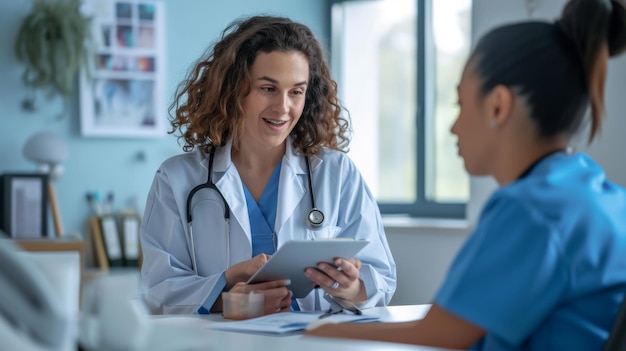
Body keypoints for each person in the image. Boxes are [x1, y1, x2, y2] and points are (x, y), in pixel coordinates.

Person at [305, 0, 626, 349]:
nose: (454, 127)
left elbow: (438, 337)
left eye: (460, 104)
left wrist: (319, 332)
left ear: (498, 106)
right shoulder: (599, 195)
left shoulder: (531, 210)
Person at [139, 15, 396, 316]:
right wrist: (226, 297)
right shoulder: (177, 179)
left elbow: (381, 278)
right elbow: (158, 289)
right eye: (268, 88)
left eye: (296, 91)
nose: (283, 108)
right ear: (234, 89)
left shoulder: (337, 174)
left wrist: (352, 288)